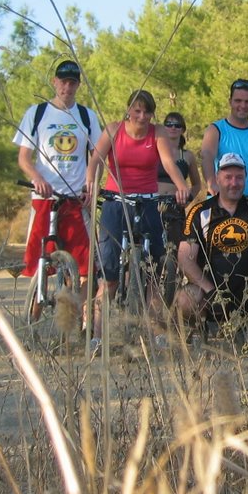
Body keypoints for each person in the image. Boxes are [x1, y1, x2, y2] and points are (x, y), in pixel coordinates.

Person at [86, 90, 191, 345]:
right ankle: (97, 336)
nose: (142, 116)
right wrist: (91, 182)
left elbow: (167, 162)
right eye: (137, 110)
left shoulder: (158, 133)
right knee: (110, 274)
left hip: (147, 200)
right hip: (115, 201)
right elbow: (96, 159)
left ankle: (156, 333)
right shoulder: (113, 129)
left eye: (147, 112)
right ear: (128, 110)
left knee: (153, 268)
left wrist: (180, 185)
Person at [175, 152, 248, 328]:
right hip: (210, 293)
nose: (234, 183)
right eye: (228, 177)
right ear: (217, 178)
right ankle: (203, 335)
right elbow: (185, 258)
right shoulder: (201, 212)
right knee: (184, 300)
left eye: (239, 177)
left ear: (245, 178)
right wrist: (210, 291)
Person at [13, 58, 102, 292]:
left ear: (78, 86)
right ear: (54, 82)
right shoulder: (37, 113)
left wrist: (92, 186)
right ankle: (34, 321)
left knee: (85, 269)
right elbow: (24, 157)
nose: (67, 88)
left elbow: (97, 157)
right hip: (46, 199)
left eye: (72, 83)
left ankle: (80, 320)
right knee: (39, 266)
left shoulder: (87, 116)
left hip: (76, 200)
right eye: (63, 82)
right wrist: (37, 179)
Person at [158, 111, 202, 243]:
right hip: (154, 203)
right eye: (169, 124)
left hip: (175, 205)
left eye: (177, 125)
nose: (172, 128)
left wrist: (188, 200)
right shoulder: (155, 152)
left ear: (182, 129)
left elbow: (197, 184)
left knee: (174, 244)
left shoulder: (188, 156)